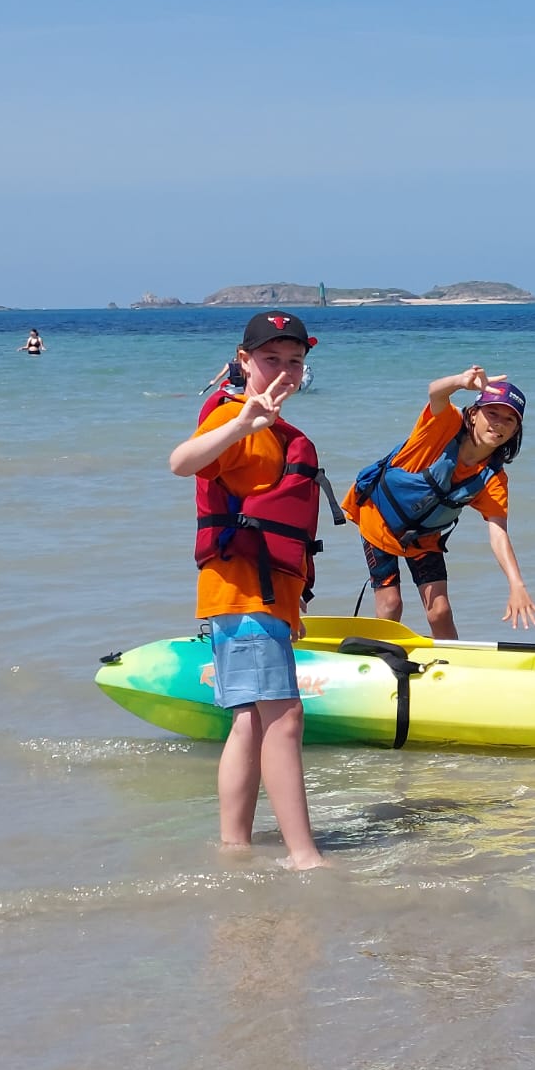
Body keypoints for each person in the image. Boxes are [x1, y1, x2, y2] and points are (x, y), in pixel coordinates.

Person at [168, 311, 330, 869]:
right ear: (243, 360)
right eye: (270, 359)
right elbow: (181, 462)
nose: (284, 370)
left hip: (256, 597)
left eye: (295, 361)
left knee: (250, 719)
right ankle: (303, 856)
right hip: (242, 592)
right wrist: (242, 424)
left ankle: (234, 847)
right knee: (284, 718)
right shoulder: (234, 417)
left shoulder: (280, 432)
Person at [343, 366, 535, 639]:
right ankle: (380, 655)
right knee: (390, 604)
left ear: (516, 430)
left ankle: (451, 660)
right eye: (492, 413)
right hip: (378, 519)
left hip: (423, 537)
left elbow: (499, 534)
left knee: (439, 611)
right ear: (473, 414)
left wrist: (516, 584)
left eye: (510, 420)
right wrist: (460, 382)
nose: (499, 424)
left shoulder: (493, 478)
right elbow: (435, 392)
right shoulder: (444, 425)